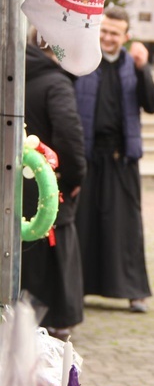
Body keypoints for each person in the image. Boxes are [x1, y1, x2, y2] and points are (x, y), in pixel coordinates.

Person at [74, 5, 154, 313]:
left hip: (121, 158)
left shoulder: (132, 64)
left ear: (126, 36)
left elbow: (151, 104)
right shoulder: (82, 60)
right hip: (86, 155)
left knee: (126, 227)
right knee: (82, 223)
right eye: (104, 30)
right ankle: (78, 289)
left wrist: (143, 68)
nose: (108, 37)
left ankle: (134, 292)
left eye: (114, 33)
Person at [21, 28, 87, 341]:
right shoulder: (56, 82)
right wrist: (74, 179)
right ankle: (58, 320)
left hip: (15, 181)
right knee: (56, 247)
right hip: (49, 186)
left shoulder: (14, 73)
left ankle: (20, 314)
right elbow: (69, 137)